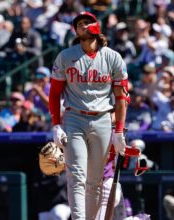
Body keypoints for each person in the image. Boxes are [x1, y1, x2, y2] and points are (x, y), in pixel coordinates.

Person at [49, 12, 129, 219]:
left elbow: (121, 98)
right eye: (79, 24)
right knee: (76, 176)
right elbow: (54, 93)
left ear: (97, 27)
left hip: (103, 118)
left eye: (87, 23)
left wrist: (119, 131)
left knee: (95, 181)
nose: (83, 26)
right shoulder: (65, 56)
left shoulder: (113, 57)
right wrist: (56, 125)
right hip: (74, 117)